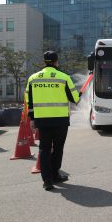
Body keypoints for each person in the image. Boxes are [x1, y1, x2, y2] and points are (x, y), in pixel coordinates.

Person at [26, 51, 80, 191]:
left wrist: (32, 119)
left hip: (42, 120)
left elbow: (29, 100)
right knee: (58, 148)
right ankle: (55, 174)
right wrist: (79, 94)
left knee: (44, 149)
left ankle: (47, 181)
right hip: (60, 120)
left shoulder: (33, 78)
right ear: (56, 62)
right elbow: (75, 99)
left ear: (44, 62)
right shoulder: (64, 77)